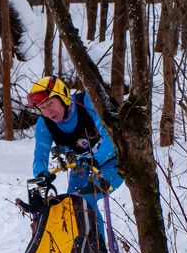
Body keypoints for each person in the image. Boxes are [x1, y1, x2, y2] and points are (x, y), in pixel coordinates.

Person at [27, 76, 123, 238]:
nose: (48, 112)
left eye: (50, 104)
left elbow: (112, 138)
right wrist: (41, 174)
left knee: (86, 200)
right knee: (71, 205)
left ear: (63, 96)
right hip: (80, 168)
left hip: (113, 163)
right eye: (42, 108)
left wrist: (96, 160)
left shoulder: (87, 102)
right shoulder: (44, 124)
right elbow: (40, 156)